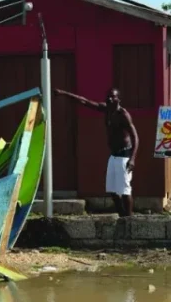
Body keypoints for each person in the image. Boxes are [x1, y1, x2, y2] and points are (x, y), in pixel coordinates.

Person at [55, 88, 139, 217]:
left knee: (125, 190)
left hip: (124, 156)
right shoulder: (106, 109)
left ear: (118, 99)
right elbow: (84, 101)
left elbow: (135, 137)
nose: (109, 99)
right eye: (108, 97)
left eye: (112, 97)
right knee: (112, 190)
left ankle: (129, 219)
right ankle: (122, 215)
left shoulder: (123, 115)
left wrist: (132, 159)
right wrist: (63, 93)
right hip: (114, 155)